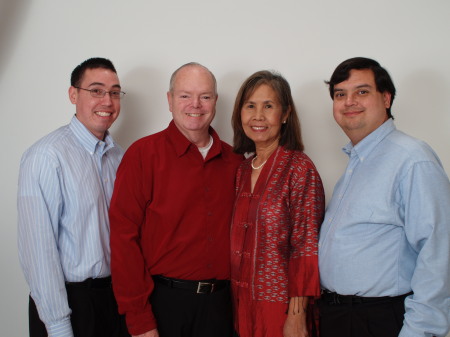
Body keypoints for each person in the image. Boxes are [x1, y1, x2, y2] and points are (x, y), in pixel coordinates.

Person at [318, 57, 450, 337]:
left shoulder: (412, 159)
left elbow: (439, 254)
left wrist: (419, 332)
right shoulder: (357, 162)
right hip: (340, 317)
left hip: (380, 320)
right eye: (340, 94)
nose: (349, 101)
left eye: (362, 92)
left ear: (386, 98)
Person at [109, 62, 243, 337]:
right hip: (163, 307)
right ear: (169, 100)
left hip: (221, 308)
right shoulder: (142, 156)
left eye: (205, 96)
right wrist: (139, 319)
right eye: (185, 96)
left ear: (215, 102)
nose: (195, 104)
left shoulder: (236, 162)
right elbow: (124, 239)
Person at [17, 57, 129, 337]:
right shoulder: (46, 156)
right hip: (69, 304)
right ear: (73, 94)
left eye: (114, 93)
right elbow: (38, 251)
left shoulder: (119, 156)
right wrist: (58, 326)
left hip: (113, 300)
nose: (107, 101)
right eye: (96, 90)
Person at [230, 70, 325, 337]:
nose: (258, 116)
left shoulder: (298, 168)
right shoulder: (241, 171)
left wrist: (297, 316)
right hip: (240, 306)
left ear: (284, 114)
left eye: (268, 106)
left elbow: (305, 245)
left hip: (280, 310)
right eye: (250, 106)